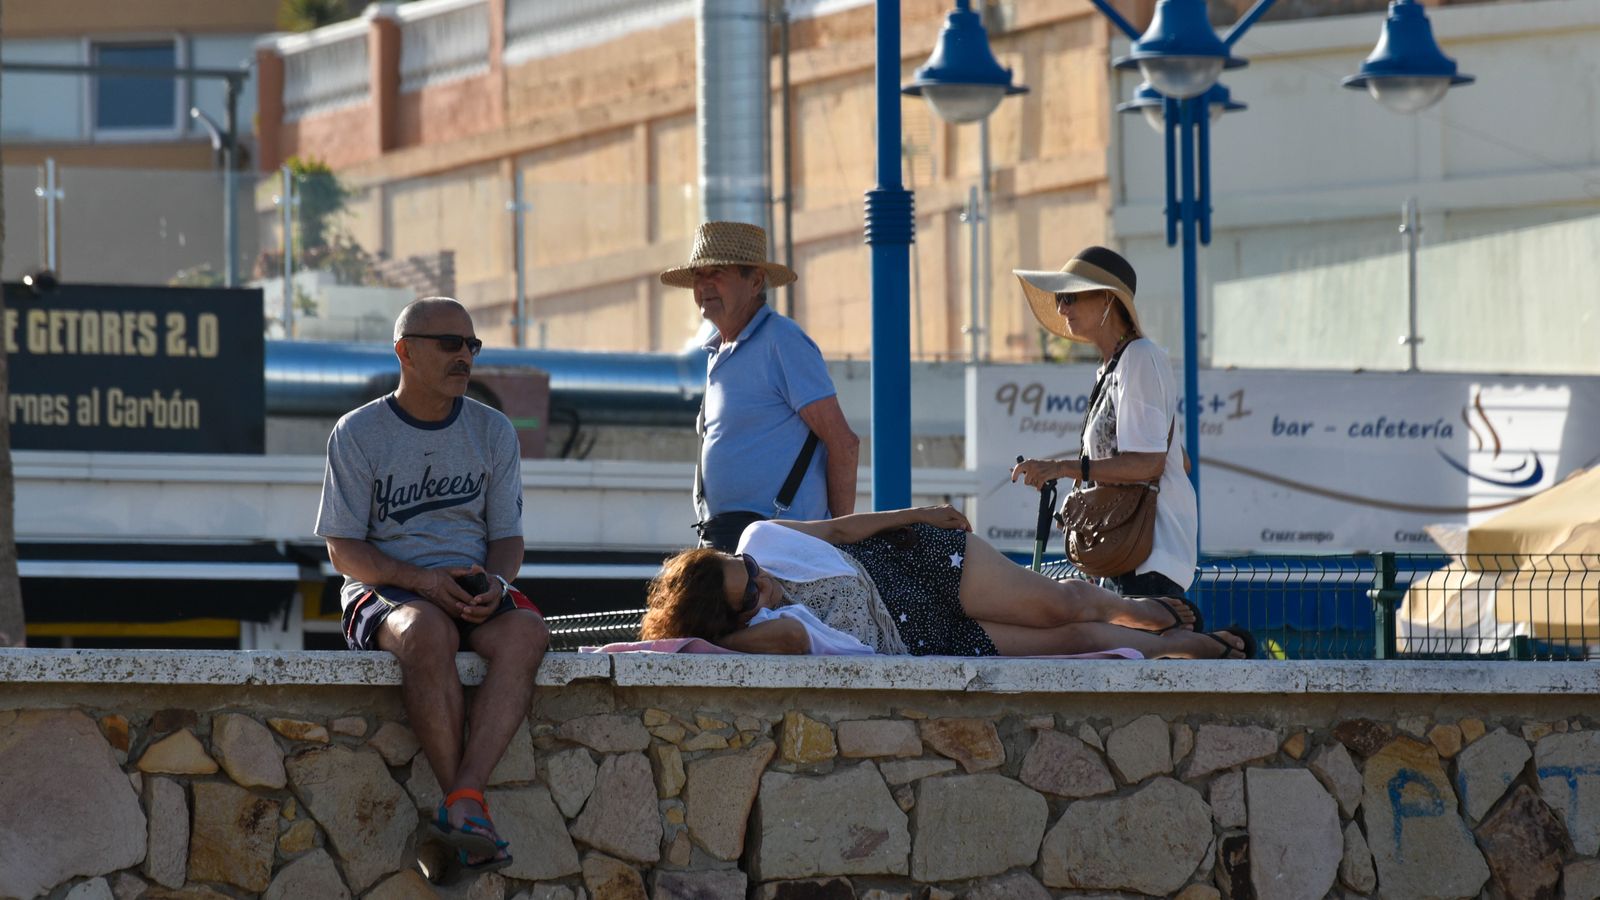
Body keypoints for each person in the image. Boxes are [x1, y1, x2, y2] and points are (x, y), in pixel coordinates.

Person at [315, 297, 548, 876]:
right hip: (390, 589)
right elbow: (343, 549)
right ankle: (463, 806)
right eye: (450, 344)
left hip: (470, 585)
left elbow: (509, 541)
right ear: (405, 352)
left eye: (472, 345)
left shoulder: (494, 430)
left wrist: (494, 582)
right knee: (426, 629)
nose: (465, 356)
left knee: (528, 633)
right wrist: (419, 580)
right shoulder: (358, 431)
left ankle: (463, 802)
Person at [640, 506, 1253, 659]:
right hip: (923, 643)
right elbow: (787, 644)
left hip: (913, 564)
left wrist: (919, 514)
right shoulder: (767, 635)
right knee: (1074, 641)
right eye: (746, 592)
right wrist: (718, 637)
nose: (759, 579)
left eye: (742, 568)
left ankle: (1142, 607)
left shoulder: (760, 542)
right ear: (732, 621)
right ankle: (1196, 646)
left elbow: (844, 531)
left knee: (1057, 604)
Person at [1010, 246, 1201, 618]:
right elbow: (1179, 461)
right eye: (1060, 299)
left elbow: (1149, 464)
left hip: (1147, 557)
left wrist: (1065, 469)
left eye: (1072, 297)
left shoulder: (1140, 357)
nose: (1062, 308)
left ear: (1108, 301)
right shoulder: (1116, 367)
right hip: (1127, 555)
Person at [660, 221, 860, 552]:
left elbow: (844, 444)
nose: (705, 284)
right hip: (729, 545)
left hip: (783, 551)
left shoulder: (782, 340)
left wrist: (836, 548)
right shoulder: (717, 353)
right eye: (699, 274)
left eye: (718, 272)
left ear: (754, 282)